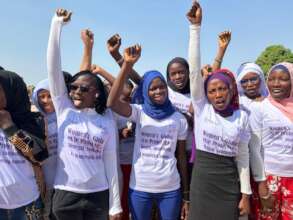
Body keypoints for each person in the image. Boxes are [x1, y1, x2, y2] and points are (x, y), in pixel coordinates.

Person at [47, 9, 122, 220]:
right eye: (73, 87)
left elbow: (111, 164)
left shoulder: (106, 120)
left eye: (84, 89)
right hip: (65, 195)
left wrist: (115, 205)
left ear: (96, 93)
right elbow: (53, 67)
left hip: (98, 197)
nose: (77, 91)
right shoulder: (65, 109)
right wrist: (57, 24)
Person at [107, 44, 190, 220]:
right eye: (153, 88)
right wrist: (126, 65)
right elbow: (112, 103)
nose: (158, 91)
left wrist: (186, 194)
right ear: (146, 92)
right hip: (140, 186)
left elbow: (181, 157)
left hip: (170, 188)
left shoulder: (179, 119)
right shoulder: (139, 112)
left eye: (162, 87)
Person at [187, 3, 251, 220]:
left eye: (222, 89)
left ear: (231, 89)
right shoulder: (202, 108)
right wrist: (195, 29)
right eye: (212, 91)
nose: (217, 95)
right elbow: (194, 71)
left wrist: (245, 195)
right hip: (202, 183)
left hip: (229, 185)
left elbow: (242, 157)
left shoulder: (241, 117)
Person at [0, 70, 48, 220]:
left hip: (26, 203)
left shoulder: (31, 121)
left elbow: (37, 155)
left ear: (10, 90)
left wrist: (9, 127)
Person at [249, 62, 293, 220]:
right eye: (272, 78)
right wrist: (261, 184)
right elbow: (254, 148)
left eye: (283, 79)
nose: (276, 83)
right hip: (269, 179)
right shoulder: (259, 108)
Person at [236, 62, 271, 220]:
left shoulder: (271, 102)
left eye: (253, 79)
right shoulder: (236, 104)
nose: (249, 84)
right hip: (244, 168)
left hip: (270, 167)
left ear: (261, 79)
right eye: (244, 81)